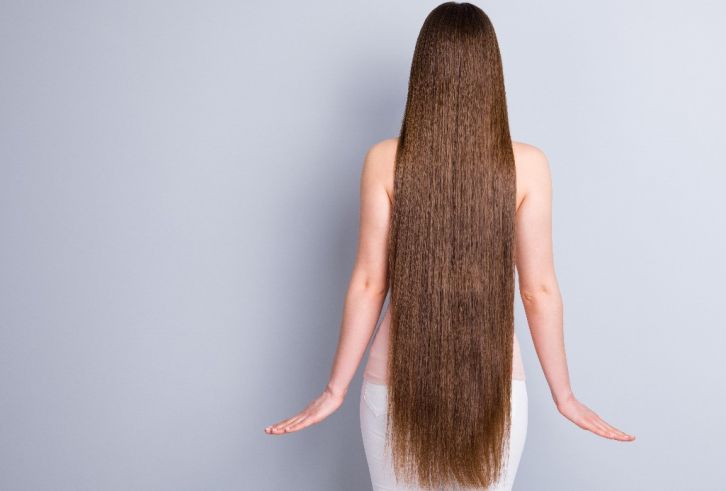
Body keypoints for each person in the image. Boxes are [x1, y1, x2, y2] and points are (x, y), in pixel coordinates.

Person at [265, 2, 635, 489]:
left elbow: (370, 282)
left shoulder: (384, 160)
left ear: (425, 72)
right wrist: (563, 394)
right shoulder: (528, 166)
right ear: (492, 72)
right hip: (496, 386)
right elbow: (538, 289)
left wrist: (335, 390)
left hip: (391, 382)